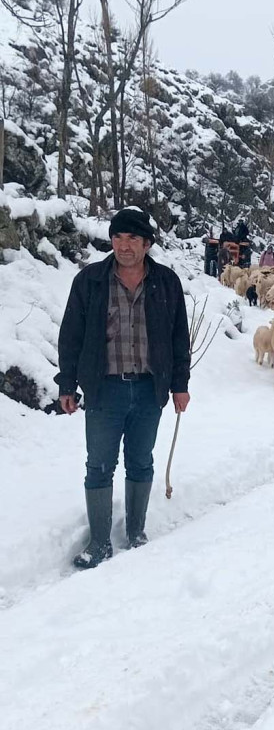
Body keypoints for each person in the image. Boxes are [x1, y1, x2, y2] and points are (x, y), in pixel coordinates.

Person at [56, 207, 191, 570]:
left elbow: (179, 337)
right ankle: (99, 543)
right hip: (105, 389)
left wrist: (180, 384)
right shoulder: (90, 281)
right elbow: (71, 336)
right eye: (118, 237)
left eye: (133, 238)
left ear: (147, 244)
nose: (124, 245)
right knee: (99, 466)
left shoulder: (166, 282)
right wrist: (67, 383)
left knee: (141, 460)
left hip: (150, 388)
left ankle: (136, 534)